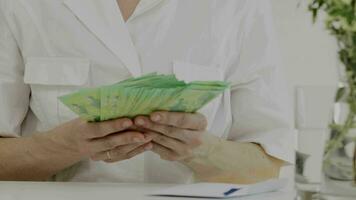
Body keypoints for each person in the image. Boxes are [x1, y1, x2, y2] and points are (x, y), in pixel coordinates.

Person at [0, 0, 294, 183]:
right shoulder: (19, 4)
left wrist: (200, 148)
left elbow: (266, 167)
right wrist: (63, 146)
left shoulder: (239, 6)